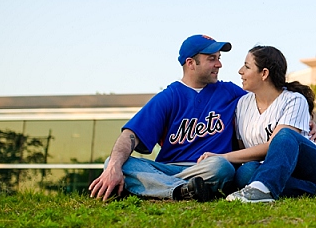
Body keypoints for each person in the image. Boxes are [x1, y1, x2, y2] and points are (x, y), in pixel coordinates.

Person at [88, 34, 246, 202]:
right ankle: (181, 190)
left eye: (219, 58)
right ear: (190, 63)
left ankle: (157, 189)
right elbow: (129, 135)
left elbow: (263, 102)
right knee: (114, 162)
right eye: (211, 59)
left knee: (221, 167)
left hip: (207, 169)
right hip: (168, 169)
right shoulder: (170, 96)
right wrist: (113, 167)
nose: (219, 64)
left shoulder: (230, 92)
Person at [200, 45, 316, 203]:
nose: (240, 71)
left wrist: (223, 157)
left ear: (264, 73)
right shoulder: (242, 104)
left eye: (247, 66)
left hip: (308, 167)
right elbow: (246, 151)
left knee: (284, 135)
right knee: (246, 173)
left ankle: (263, 189)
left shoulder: (294, 99)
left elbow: (274, 145)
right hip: (267, 170)